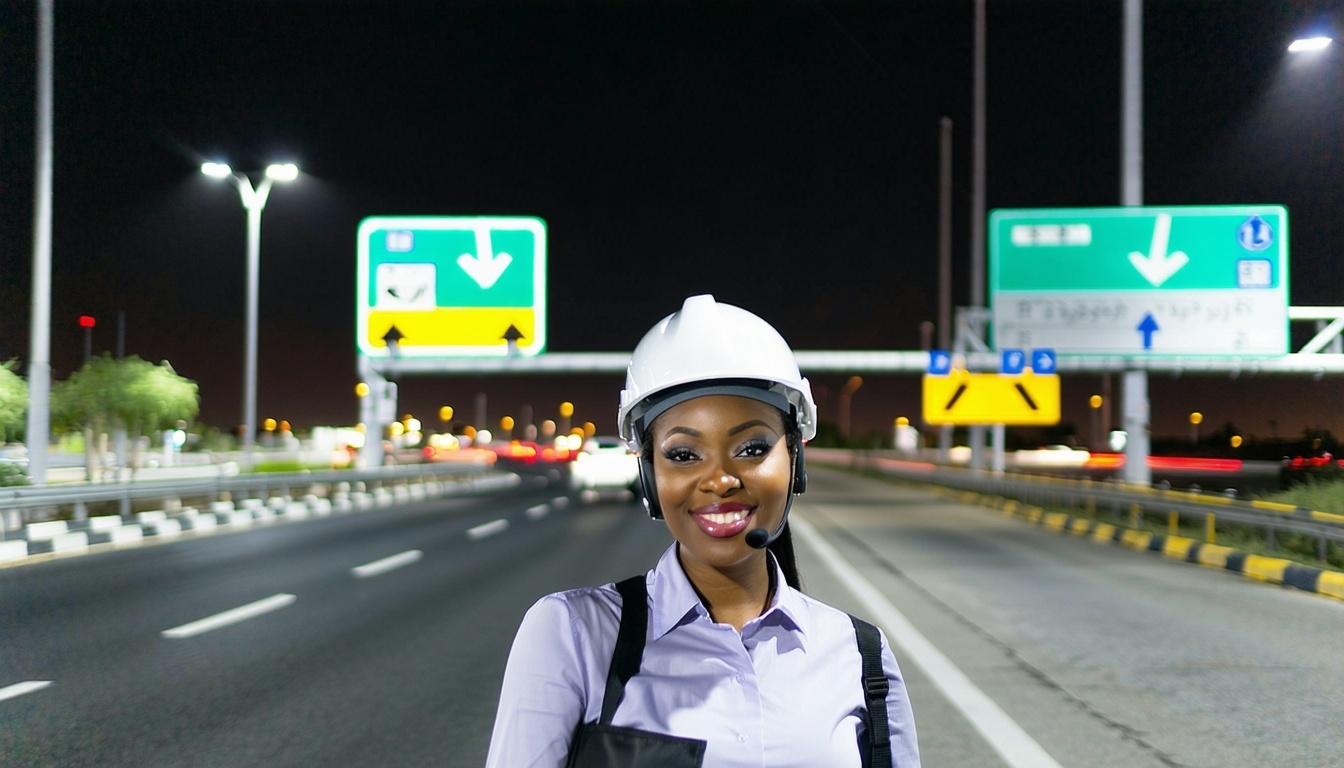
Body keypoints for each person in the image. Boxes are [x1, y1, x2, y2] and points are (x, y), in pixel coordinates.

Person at [485, 295, 920, 767]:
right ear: (650, 474)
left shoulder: (861, 657)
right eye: (683, 454)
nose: (719, 480)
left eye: (753, 447)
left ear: (795, 458)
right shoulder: (574, 634)